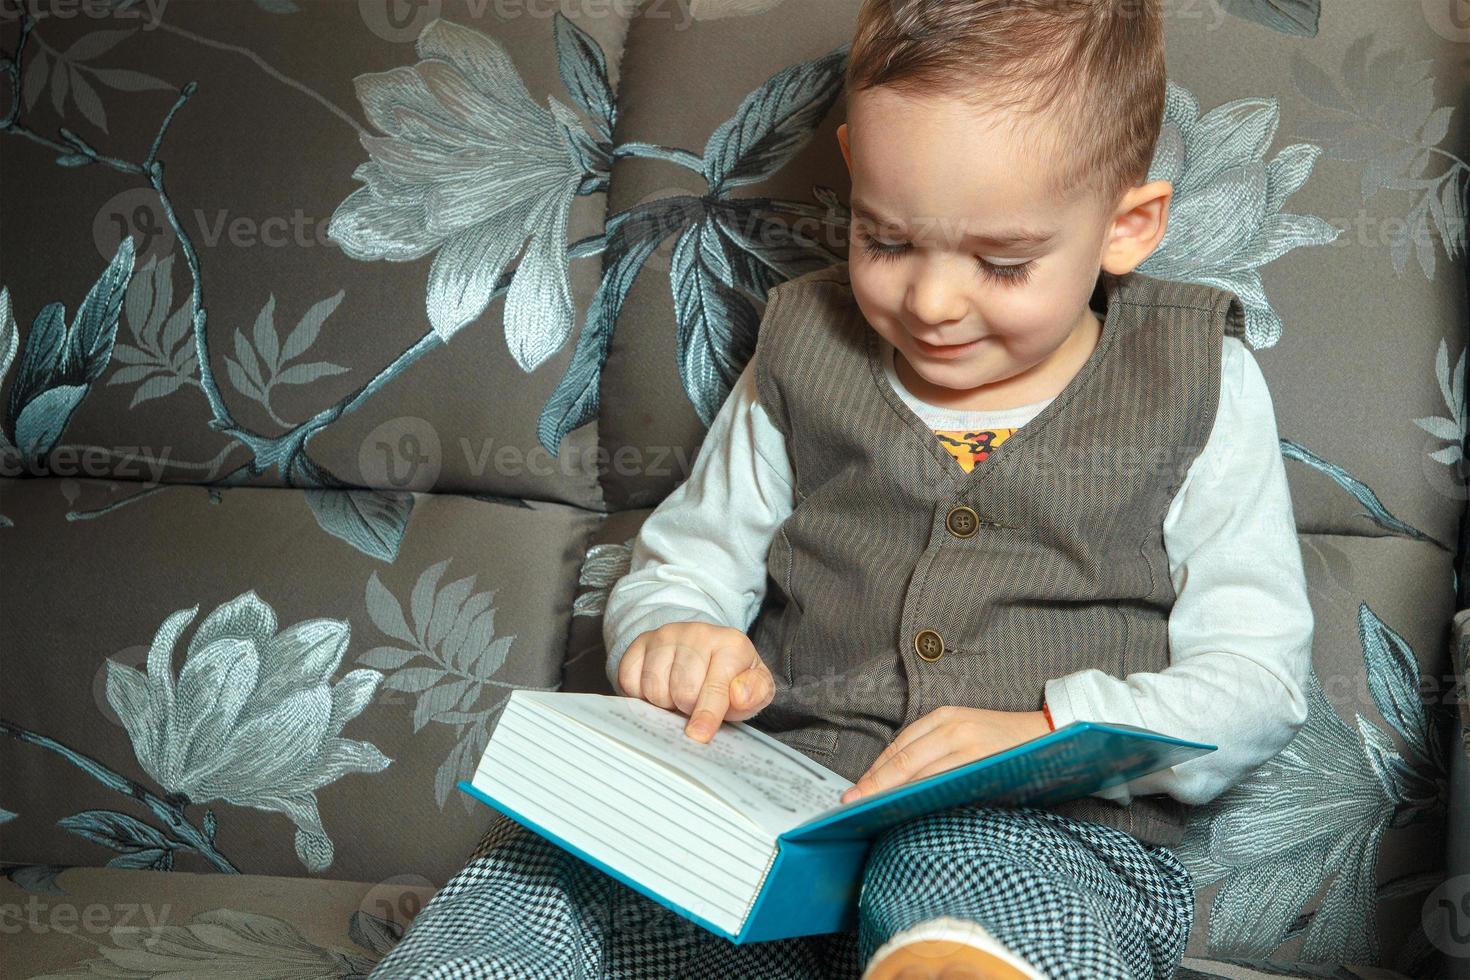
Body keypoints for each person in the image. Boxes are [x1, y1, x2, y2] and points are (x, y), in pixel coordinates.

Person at [367, 1, 1313, 977]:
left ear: (1128, 225)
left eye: (1002, 262)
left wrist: (1047, 728)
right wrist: (675, 631)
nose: (933, 301)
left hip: (1040, 833)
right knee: (535, 881)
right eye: (889, 240)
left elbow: (1257, 682)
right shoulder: (802, 345)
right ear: (858, 170)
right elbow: (689, 556)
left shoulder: (1197, 376)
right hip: (783, 828)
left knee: (977, 897)